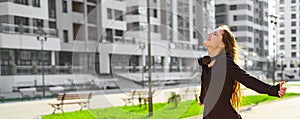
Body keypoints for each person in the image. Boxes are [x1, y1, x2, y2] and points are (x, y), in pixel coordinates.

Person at [198, 25, 287, 119]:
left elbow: (247, 79)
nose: (209, 34)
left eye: (215, 34)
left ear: (222, 44)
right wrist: (202, 98)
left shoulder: (225, 63)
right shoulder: (206, 63)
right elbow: (205, 83)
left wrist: (272, 90)